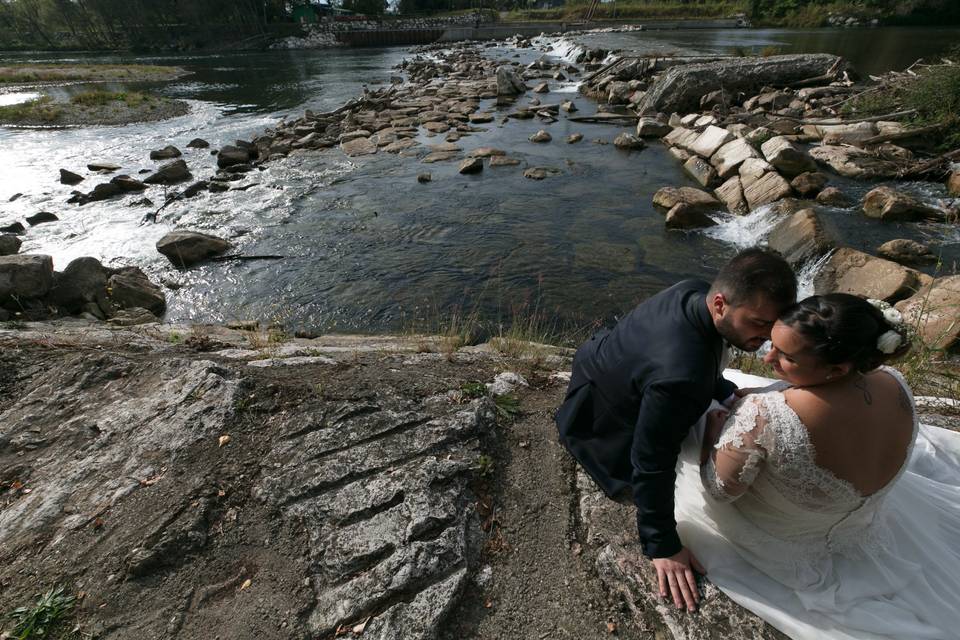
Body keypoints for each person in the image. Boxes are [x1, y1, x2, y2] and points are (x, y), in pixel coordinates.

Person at [674, 293, 960, 639]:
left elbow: (719, 492)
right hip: (856, 518)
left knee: (689, 434)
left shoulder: (765, 416)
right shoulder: (893, 382)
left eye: (786, 356)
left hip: (784, 539)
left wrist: (714, 436)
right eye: (772, 345)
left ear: (837, 369)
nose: (768, 358)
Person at [555, 247, 797, 612]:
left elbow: (682, 357)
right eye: (760, 323)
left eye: (774, 324)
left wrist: (724, 392)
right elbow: (650, 459)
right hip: (603, 429)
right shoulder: (683, 376)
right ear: (720, 304)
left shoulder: (692, 290)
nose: (766, 338)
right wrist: (662, 545)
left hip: (597, 369)